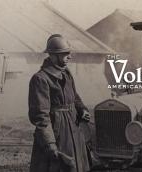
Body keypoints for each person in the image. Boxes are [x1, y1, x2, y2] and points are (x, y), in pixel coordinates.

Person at [28, 34, 91, 172]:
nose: (70, 57)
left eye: (69, 53)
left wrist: (82, 110)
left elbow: (74, 96)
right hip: (57, 134)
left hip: (73, 130)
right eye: (65, 54)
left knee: (77, 166)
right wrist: (50, 144)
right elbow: (41, 117)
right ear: (53, 55)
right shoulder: (40, 79)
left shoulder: (66, 73)